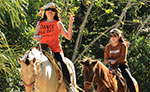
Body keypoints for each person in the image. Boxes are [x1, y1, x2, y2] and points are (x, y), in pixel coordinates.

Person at [33, 3, 74, 92]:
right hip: (42, 49)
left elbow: (68, 36)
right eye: (48, 10)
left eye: (52, 10)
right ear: (45, 12)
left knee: (63, 63)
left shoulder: (58, 23)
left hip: (55, 50)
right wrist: (38, 37)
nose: (50, 12)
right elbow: (35, 36)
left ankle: (69, 85)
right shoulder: (40, 23)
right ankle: (30, 85)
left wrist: (70, 23)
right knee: (29, 62)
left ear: (55, 13)